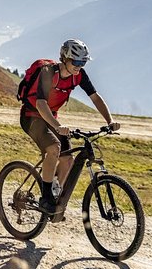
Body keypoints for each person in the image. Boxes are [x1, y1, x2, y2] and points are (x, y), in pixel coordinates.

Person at [19, 39, 120, 219]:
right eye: (76, 62)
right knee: (53, 149)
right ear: (65, 58)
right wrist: (58, 127)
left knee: (68, 159)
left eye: (83, 62)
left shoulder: (79, 75)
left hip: (51, 118)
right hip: (32, 116)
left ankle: (55, 192)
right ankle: (46, 197)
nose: (79, 66)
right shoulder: (48, 72)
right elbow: (41, 104)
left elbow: (95, 97)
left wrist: (110, 120)